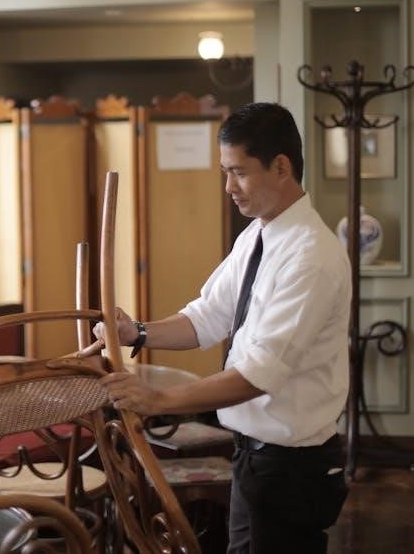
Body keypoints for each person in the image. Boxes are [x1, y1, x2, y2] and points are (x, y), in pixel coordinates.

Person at [95, 102, 351, 554]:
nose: (229, 187)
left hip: (291, 469)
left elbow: (257, 375)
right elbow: (206, 317)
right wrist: (137, 332)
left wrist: (159, 400)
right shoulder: (256, 235)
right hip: (252, 457)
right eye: (224, 172)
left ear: (281, 167)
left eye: (239, 172)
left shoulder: (311, 256)